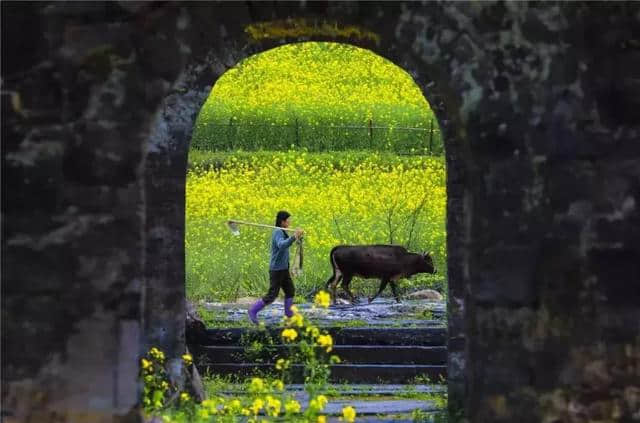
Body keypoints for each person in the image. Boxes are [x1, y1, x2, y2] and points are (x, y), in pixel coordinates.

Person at [248, 211, 304, 324]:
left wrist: (298, 238)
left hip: (283, 269)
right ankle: (252, 311)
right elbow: (281, 245)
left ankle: (289, 315)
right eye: (288, 220)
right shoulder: (278, 232)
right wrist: (294, 237)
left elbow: (288, 243)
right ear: (282, 221)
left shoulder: (282, 231)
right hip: (277, 270)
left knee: (290, 291)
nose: (290, 222)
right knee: (272, 295)